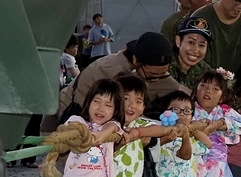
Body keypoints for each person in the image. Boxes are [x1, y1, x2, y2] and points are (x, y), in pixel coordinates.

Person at [52, 32, 186, 135]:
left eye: (161, 74)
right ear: (136, 60)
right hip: (74, 116)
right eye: (152, 75)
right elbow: (121, 113)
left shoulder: (146, 68)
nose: (156, 79)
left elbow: (172, 86)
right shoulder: (113, 72)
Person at [169, 16, 212, 88]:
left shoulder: (204, 70)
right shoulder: (165, 66)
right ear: (178, 41)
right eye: (191, 42)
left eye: (201, 45)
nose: (195, 50)